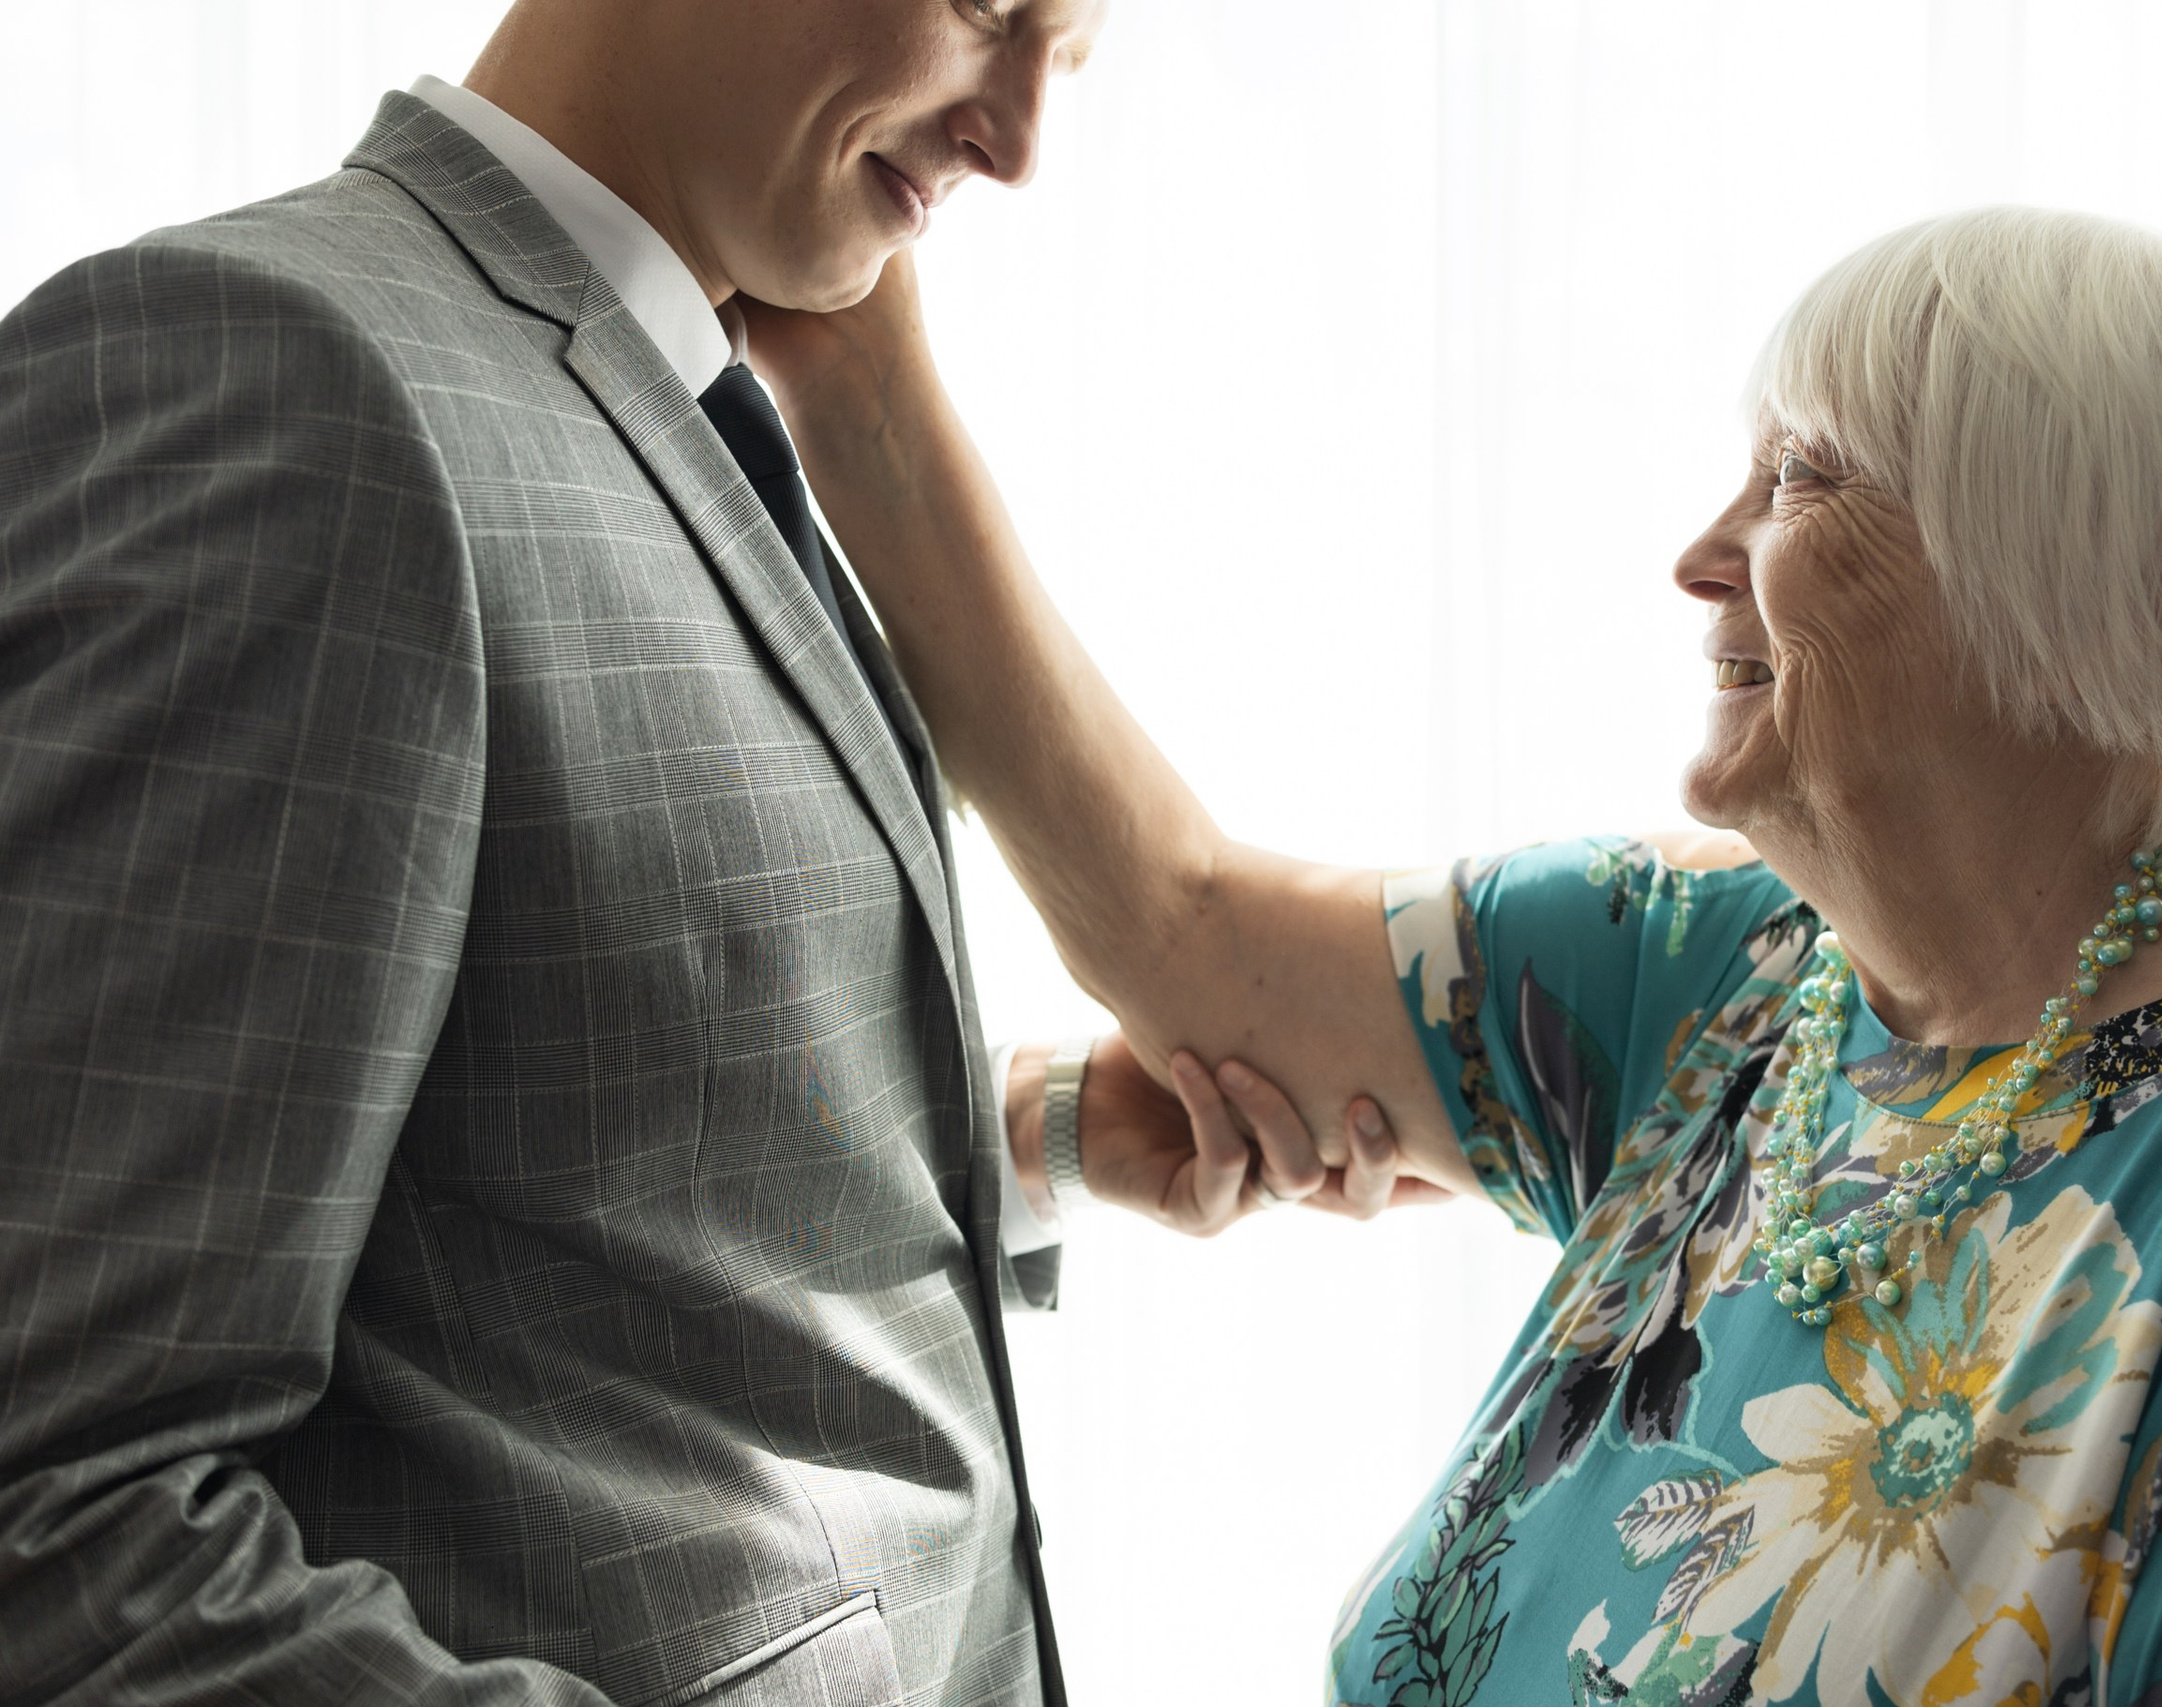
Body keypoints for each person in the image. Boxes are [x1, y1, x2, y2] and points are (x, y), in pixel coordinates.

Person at [747, 208, 2162, 1703]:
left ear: (2070, 573)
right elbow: (1190, 936)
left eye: (1801, 484)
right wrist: (852, 375)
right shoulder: (1744, 967)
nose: (1704, 559)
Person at [0, 3, 1390, 1703]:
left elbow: (550, 1089)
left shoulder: (687, 394)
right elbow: (58, 1518)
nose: (1019, 138)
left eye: (1070, 53)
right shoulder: (277, 374)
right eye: (987, 10)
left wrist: (1019, 1143)